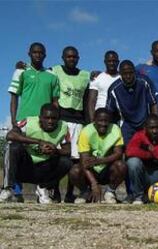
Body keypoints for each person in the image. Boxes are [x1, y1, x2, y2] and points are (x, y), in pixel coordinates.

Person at [7, 42, 60, 202]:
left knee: (47, 154)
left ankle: (45, 190)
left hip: (44, 124)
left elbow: (55, 101)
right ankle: (14, 190)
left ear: (45, 55)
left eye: (41, 53)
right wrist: (15, 120)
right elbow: (14, 97)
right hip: (24, 121)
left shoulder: (52, 76)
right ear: (29, 54)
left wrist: (55, 121)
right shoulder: (21, 71)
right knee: (15, 150)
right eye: (35, 52)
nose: (38, 55)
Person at [0, 104, 72, 204]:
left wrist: (54, 150)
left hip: (44, 169)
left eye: (53, 118)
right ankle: (7, 189)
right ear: (40, 118)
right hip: (25, 167)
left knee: (66, 161)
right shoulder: (28, 122)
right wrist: (39, 142)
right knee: (12, 146)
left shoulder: (63, 127)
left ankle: (43, 188)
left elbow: (68, 150)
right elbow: (10, 135)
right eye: (47, 118)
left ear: (58, 118)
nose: (50, 121)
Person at [50, 46, 90, 203]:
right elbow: (39, 70)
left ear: (78, 58)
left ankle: (69, 193)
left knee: (75, 160)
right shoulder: (54, 70)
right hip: (61, 120)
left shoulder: (85, 75)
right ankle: (55, 193)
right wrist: (23, 66)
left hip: (78, 121)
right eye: (68, 56)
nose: (71, 59)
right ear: (63, 58)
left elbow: (87, 101)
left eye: (74, 57)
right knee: (57, 157)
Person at [69, 108, 127, 204]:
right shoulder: (86, 132)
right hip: (90, 170)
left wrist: (99, 161)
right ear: (94, 120)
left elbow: (118, 153)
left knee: (121, 166)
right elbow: (84, 162)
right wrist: (94, 184)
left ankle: (110, 192)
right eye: (100, 120)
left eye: (106, 121)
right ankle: (85, 192)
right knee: (74, 171)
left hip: (107, 169)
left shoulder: (115, 129)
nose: (103, 124)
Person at [107, 60, 158, 146]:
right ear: (120, 73)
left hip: (145, 122)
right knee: (129, 151)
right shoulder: (113, 89)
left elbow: (153, 103)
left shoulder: (144, 81)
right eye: (125, 73)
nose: (128, 76)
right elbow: (110, 112)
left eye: (130, 73)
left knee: (149, 150)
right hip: (126, 124)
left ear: (134, 72)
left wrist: (156, 125)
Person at [87, 50, 120, 121]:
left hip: (118, 117)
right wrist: (92, 121)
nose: (112, 63)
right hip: (100, 118)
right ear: (105, 62)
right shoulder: (97, 78)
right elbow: (91, 102)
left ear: (118, 62)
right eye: (109, 61)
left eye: (114, 61)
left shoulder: (123, 78)